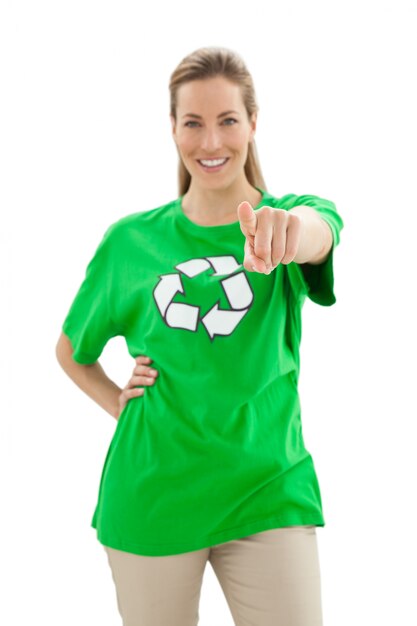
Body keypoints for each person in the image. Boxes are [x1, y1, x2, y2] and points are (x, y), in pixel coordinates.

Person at [56, 46, 344, 626]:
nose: (211, 143)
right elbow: (71, 351)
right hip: (152, 494)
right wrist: (120, 401)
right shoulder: (129, 243)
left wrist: (288, 234)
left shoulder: (288, 217)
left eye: (228, 121)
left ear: (253, 124)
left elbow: (321, 232)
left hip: (267, 489)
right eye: (194, 123)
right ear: (173, 129)